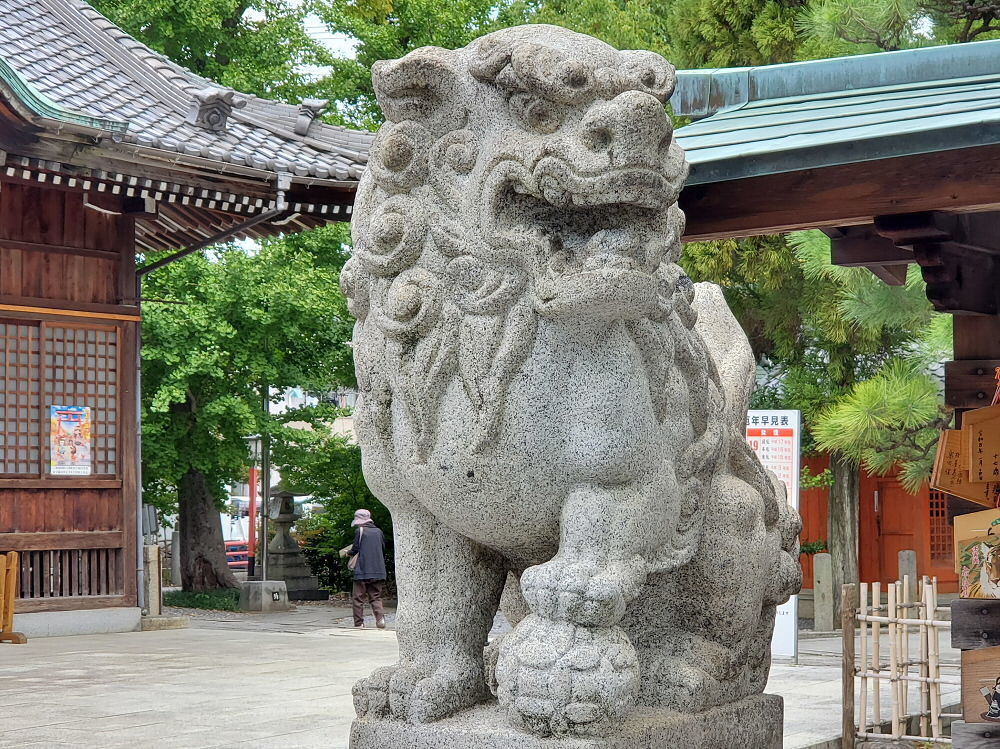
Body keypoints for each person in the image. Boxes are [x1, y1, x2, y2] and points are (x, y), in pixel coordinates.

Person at [346, 508, 387, 629]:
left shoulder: (361, 531)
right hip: (378, 570)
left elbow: (355, 549)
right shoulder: (379, 532)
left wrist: (348, 553)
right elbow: (382, 548)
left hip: (363, 569)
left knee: (358, 597)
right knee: (376, 596)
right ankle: (380, 620)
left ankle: (359, 623)